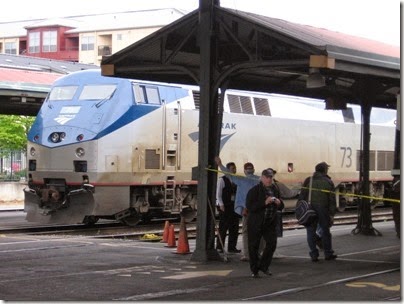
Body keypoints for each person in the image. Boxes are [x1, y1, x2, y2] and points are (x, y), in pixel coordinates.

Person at [215, 156, 260, 261]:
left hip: (247, 210)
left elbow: (228, 174)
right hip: (258, 211)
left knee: (245, 232)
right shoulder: (258, 180)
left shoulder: (241, 180)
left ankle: (247, 254)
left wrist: (220, 164)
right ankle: (257, 252)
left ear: (244, 171)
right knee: (257, 231)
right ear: (253, 170)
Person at [246, 168, 284, 278]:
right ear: (262, 178)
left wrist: (279, 203)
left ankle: (263, 266)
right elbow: (250, 207)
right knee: (253, 246)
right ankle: (254, 270)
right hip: (256, 223)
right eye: (267, 177)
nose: (269, 179)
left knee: (272, 243)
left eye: (271, 177)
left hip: (269, 222)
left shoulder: (275, 189)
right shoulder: (254, 190)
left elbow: (281, 206)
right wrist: (264, 202)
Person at [299, 162, 337, 262]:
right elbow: (332, 199)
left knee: (310, 232)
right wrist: (332, 214)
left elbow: (302, 196)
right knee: (325, 231)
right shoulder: (328, 181)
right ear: (324, 170)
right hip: (323, 209)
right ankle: (328, 253)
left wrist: (300, 209)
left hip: (309, 209)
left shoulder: (308, 180)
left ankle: (313, 254)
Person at [216, 162, 241, 253]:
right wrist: (221, 204)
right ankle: (219, 246)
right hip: (225, 207)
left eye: (235, 168)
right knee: (223, 227)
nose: (234, 170)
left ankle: (232, 247)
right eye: (232, 169)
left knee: (234, 228)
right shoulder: (222, 180)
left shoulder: (236, 180)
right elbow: (218, 194)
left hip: (234, 207)